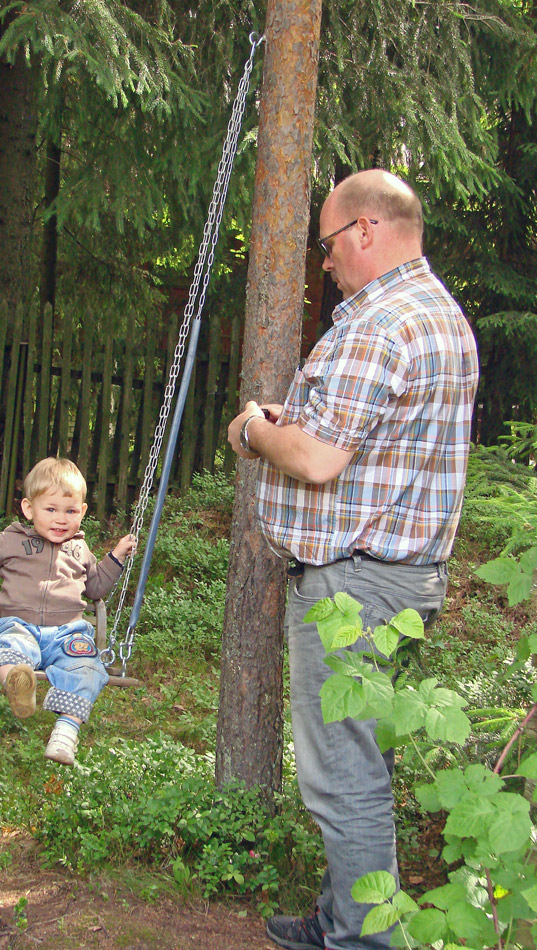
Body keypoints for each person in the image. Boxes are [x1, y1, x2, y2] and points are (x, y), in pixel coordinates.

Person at [227, 170, 478, 950]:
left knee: (342, 777)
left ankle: (364, 941)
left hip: (355, 587)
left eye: (329, 242)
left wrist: (253, 431)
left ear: (365, 229)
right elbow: (374, 440)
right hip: (403, 580)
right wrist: (296, 419)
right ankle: (344, 917)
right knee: (359, 757)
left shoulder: (379, 323)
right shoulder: (437, 314)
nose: (326, 259)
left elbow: (316, 459)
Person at [0, 456, 136, 765]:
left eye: (70, 511)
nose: (61, 520)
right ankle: (18, 685)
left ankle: (65, 734)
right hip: (19, 625)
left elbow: (96, 588)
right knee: (10, 649)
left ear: (83, 511)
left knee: (88, 669)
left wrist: (116, 557)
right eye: (51, 510)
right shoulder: (11, 541)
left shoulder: (79, 549)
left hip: (68, 634)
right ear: (29, 509)